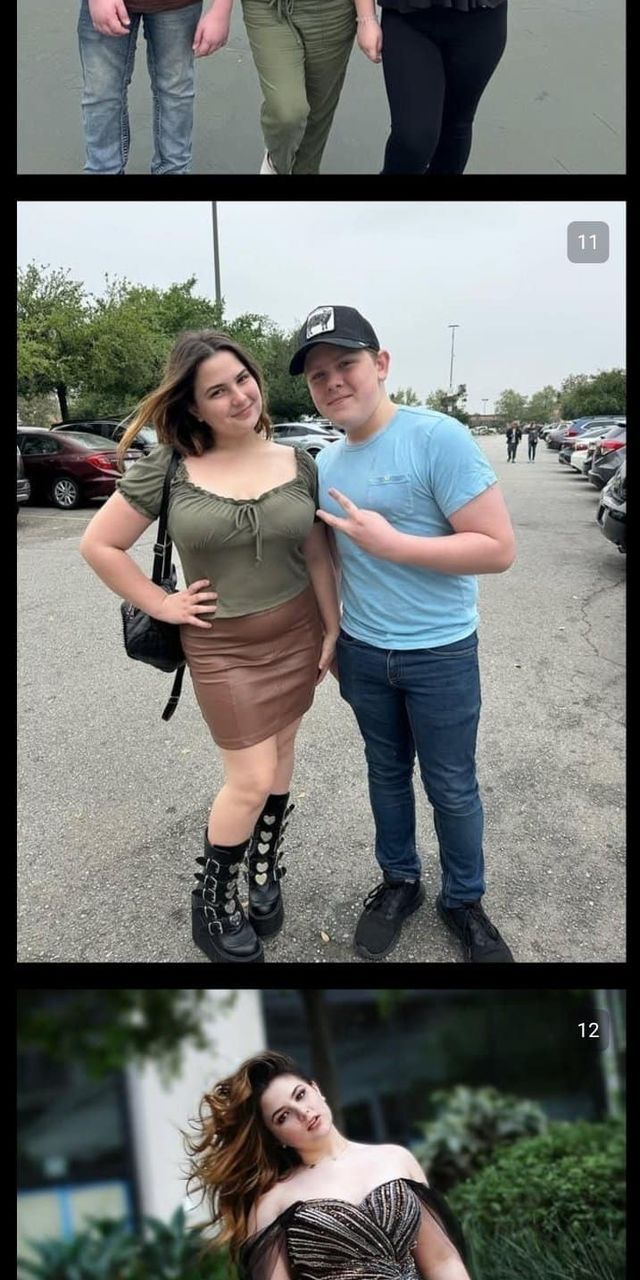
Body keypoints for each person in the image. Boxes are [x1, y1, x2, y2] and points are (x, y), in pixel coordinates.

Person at [79, 331, 339, 964]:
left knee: (281, 753)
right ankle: (213, 898)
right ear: (193, 406)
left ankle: (262, 867)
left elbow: (315, 552)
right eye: (217, 391)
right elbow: (99, 544)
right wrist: (161, 602)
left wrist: (332, 627)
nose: (238, 396)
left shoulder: (297, 461)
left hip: (297, 634)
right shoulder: (170, 467)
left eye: (243, 379)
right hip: (222, 652)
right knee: (249, 779)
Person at [289, 305, 516, 963]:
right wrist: (332, 632)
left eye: (346, 364)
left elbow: (498, 548)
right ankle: (400, 882)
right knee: (385, 774)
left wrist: (396, 545)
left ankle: (464, 900)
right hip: (363, 654)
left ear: (381, 364)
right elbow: (328, 560)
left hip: (440, 652)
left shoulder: (437, 438)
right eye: (318, 375)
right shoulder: (325, 464)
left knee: (451, 785)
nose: (333, 382)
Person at [185, 1050, 473, 1280]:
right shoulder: (273, 1202)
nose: (302, 1112)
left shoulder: (396, 1159)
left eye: (300, 1095)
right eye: (283, 1116)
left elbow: (442, 1262)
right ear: (276, 1137)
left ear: (316, 1089)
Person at [357, 0, 509, 175]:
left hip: (481, 17)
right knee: (414, 140)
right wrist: (366, 17)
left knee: (455, 128)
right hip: (407, 16)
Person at [77, 0, 229, 174]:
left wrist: (221, 9)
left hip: (179, 5)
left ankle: (174, 170)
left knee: (176, 93)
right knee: (101, 94)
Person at [236, 0, 357, 174]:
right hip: (267, 8)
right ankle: (275, 165)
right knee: (287, 111)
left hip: (332, 11)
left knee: (317, 118)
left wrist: (367, 18)